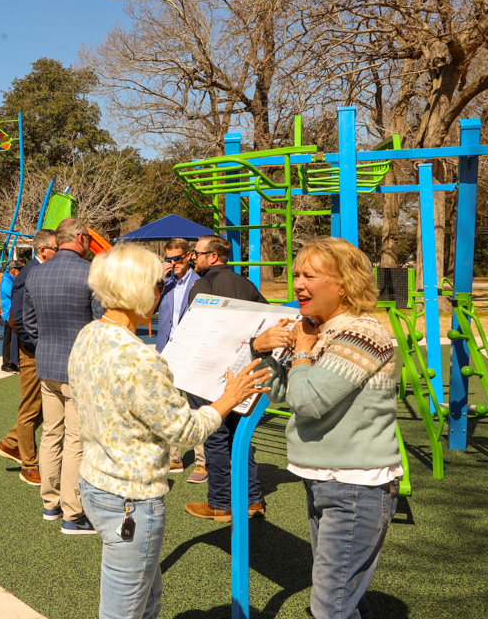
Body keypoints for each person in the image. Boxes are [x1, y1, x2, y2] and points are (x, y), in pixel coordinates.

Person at [70, 242, 270, 619]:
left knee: (144, 597)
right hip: (131, 496)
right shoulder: (138, 356)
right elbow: (185, 430)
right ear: (138, 291)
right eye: (158, 285)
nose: (161, 293)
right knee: (124, 608)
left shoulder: (90, 334)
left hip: (96, 482)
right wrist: (229, 398)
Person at [262, 237, 399, 619]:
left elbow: (308, 401)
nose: (297, 285)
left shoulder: (362, 334)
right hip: (326, 478)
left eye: (309, 276)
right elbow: (281, 394)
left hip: (358, 483)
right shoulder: (320, 331)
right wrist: (267, 352)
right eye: (296, 275)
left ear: (344, 284)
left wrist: (302, 351)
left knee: (329, 605)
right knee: (343, 597)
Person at [182, 234, 290, 522]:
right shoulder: (247, 285)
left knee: (216, 437)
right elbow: (272, 320)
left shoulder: (202, 285)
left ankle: (220, 503)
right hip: (246, 372)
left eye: (197, 252)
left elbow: (194, 329)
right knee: (242, 435)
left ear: (213, 256)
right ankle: (253, 500)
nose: (193, 257)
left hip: (210, 374)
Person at [23, 218, 104, 534]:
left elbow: (28, 323)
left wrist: (44, 344)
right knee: (75, 439)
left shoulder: (37, 272)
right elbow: (100, 322)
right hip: (78, 367)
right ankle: (73, 513)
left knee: (52, 433)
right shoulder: (89, 273)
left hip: (47, 362)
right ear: (82, 237)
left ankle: (50, 502)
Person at [0, 230, 57, 488]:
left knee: (46, 405)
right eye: (57, 248)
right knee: (32, 407)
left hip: (43, 348)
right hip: (32, 350)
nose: (60, 252)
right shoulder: (30, 273)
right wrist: (34, 346)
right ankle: (29, 465)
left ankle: (11, 442)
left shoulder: (42, 271)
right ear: (43, 250)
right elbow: (16, 318)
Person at [155, 238, 206, 483]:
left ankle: (201, 462)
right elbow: (147, 307)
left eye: (176, 259)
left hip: (193, 352)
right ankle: (174, 456)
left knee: (196, 408)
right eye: (169, 259)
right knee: (171, 406)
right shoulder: (163, 284)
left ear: (188, 257)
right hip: (168, 352)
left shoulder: (201, 283)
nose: (172, 263)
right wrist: (157, 280)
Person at [0, 262, 21, 373]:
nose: (19, 271)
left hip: (14, 314)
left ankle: (12, 362)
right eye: (18, 269)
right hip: (8, 315)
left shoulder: (11, 280)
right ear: (13, 270)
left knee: (14, 340)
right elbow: (14, 294)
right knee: (8, 340)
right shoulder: (6, 281)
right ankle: (6, 363)